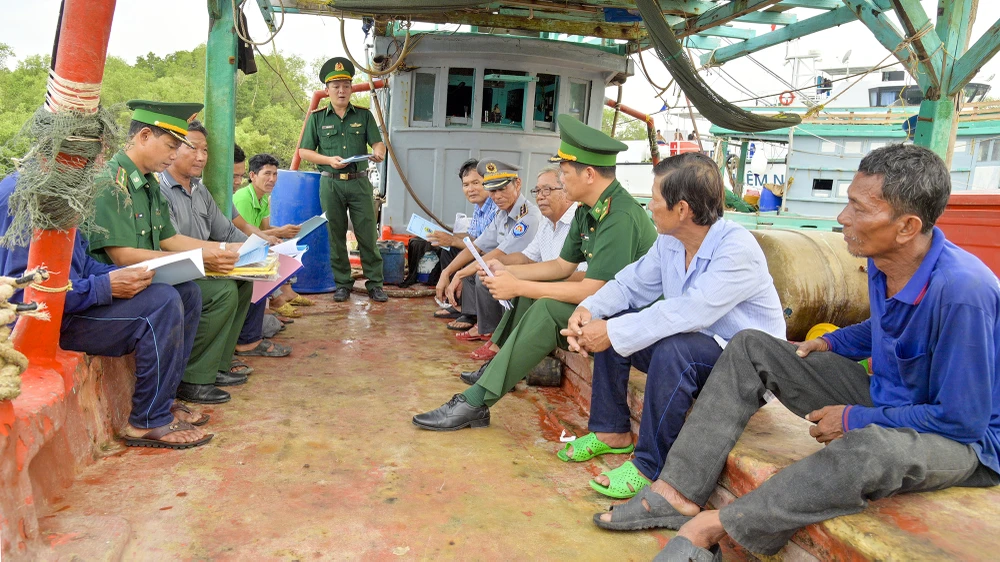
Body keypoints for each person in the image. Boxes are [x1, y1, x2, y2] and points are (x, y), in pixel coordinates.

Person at [596, 144, 1000, 561]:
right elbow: (888, 327)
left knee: (872, 449)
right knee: (750, 345)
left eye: (859, 209)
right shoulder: (886, 263)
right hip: (890, 396)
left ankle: (720, 526)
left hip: (965, 443)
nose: (843, 218)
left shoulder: (963, 292)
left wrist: (853, 417)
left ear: (906, 226)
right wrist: (831, 341)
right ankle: (676, 491)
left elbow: (960, 421)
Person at [557, 153, 785, 500]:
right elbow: (631, 285)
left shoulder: (737, 249)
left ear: (682, 210)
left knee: (668, 347)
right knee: (617, 323)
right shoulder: (670, 241)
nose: (649, 205)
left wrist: (613, 333)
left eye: (655, 199)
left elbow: (690, 313)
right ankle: (610, 432)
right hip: (699, 348)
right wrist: (589, 311)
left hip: (749, 368)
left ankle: (649, 466)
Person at [412, 114, 657, 431]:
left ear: (590, 174)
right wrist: (513, 274)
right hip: (609, 306)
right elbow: (561, 265)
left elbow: (594, 288)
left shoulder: (619, 216)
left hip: (640, 316)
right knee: (542, 306)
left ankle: (476, 401)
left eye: (565, 174)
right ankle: (479, 396)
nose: (562, 181)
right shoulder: (588, 211)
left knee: (543, 308)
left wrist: (519, 285)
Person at [0, 173, 211, 449]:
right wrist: (105, 287)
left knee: (187, 292)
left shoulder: (62, 185)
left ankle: (164, 400)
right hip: (53, 321)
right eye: (94, 155)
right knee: (163, 300)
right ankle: (146, 422)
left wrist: (129, 275)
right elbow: (26, 293)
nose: (99, 164)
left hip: (77, 300)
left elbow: (81, 264)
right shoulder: (27, 195)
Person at [87, 100, 246, 405]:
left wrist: (228, 249)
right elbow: (122, 256)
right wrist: (201, 259)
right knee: (187, 294)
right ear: (144, 136)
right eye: (172, 145)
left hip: (144, 277)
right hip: (113, 287)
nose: (176, 155)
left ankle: (176, 390)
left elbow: (171, 239)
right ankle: (164, 401)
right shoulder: (113, 183)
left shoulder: (146, 183)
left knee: (190, 292)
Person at [158, 121, 291, 364]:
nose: (201, 157)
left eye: (205, 150)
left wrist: (260, 250)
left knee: (246, 282)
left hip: (203, 261)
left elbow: (228, 231)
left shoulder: (199, 190)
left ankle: (222, 359)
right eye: (193, 148)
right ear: (173, 148)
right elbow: (169, 243)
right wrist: (221, 251)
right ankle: (200, 373)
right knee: (224, 291)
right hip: (177, 267)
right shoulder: (159, 189)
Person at [462, 165, 585, 361]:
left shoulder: (579, 222)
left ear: (567, 192)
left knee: (523, 291)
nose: (540, 196)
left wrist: (525, 279)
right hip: (555, 288)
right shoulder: (547, 221)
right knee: (509, 280)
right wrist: (503, 267)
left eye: (547, 190)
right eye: (537, 191)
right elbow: (527, 257)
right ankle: (501, 345)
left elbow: (581, 276)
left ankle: (502, 348)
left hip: (577, 298)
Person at [297, 57, 388, 303]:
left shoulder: (364, 114)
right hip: (331, 183)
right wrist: (328, 160)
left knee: (367, 234)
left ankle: (375, 284)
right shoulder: (317, 118)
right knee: (335, 235)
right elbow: (304, 151)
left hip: (359, 182)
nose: (341, 90)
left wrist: (379, 151)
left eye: (346, 85)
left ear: (350, 88)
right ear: (327, 91)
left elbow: (377, 142)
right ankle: (342, 284)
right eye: (335, 86)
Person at [440, 159, 542, 338]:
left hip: (529, 270)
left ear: (517, 184)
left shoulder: (528, 217)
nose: (497, 196)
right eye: (492, 190)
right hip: (506, 265)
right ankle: (484, 326)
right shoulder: (501, 214)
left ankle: (495, 332)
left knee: (484, 275)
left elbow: (500, 254)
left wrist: (460, 274)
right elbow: (476, 246)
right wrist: (447, 272)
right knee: (474, 270)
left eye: (502, 189)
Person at [428, 159, 497, 319]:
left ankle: (471, 313)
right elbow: (472, 236)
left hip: (494, 255)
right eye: (466, 185)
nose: (471, 189)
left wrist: (452, 240)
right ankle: (457, 304)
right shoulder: (480, 206)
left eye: (476, 183)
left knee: (460, 253)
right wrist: (445, 237)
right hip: (483, 250)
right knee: (449, 250)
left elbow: (484, 246)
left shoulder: (495, 206)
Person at [232, 153, 300, 240]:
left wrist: (290, 231)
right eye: (267, 173)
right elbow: (243, 235)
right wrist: (279, 232)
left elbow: (265, 228)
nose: (272, 179)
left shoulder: (263, 198)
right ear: (252, 175)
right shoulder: (243, 199)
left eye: (275, 174)